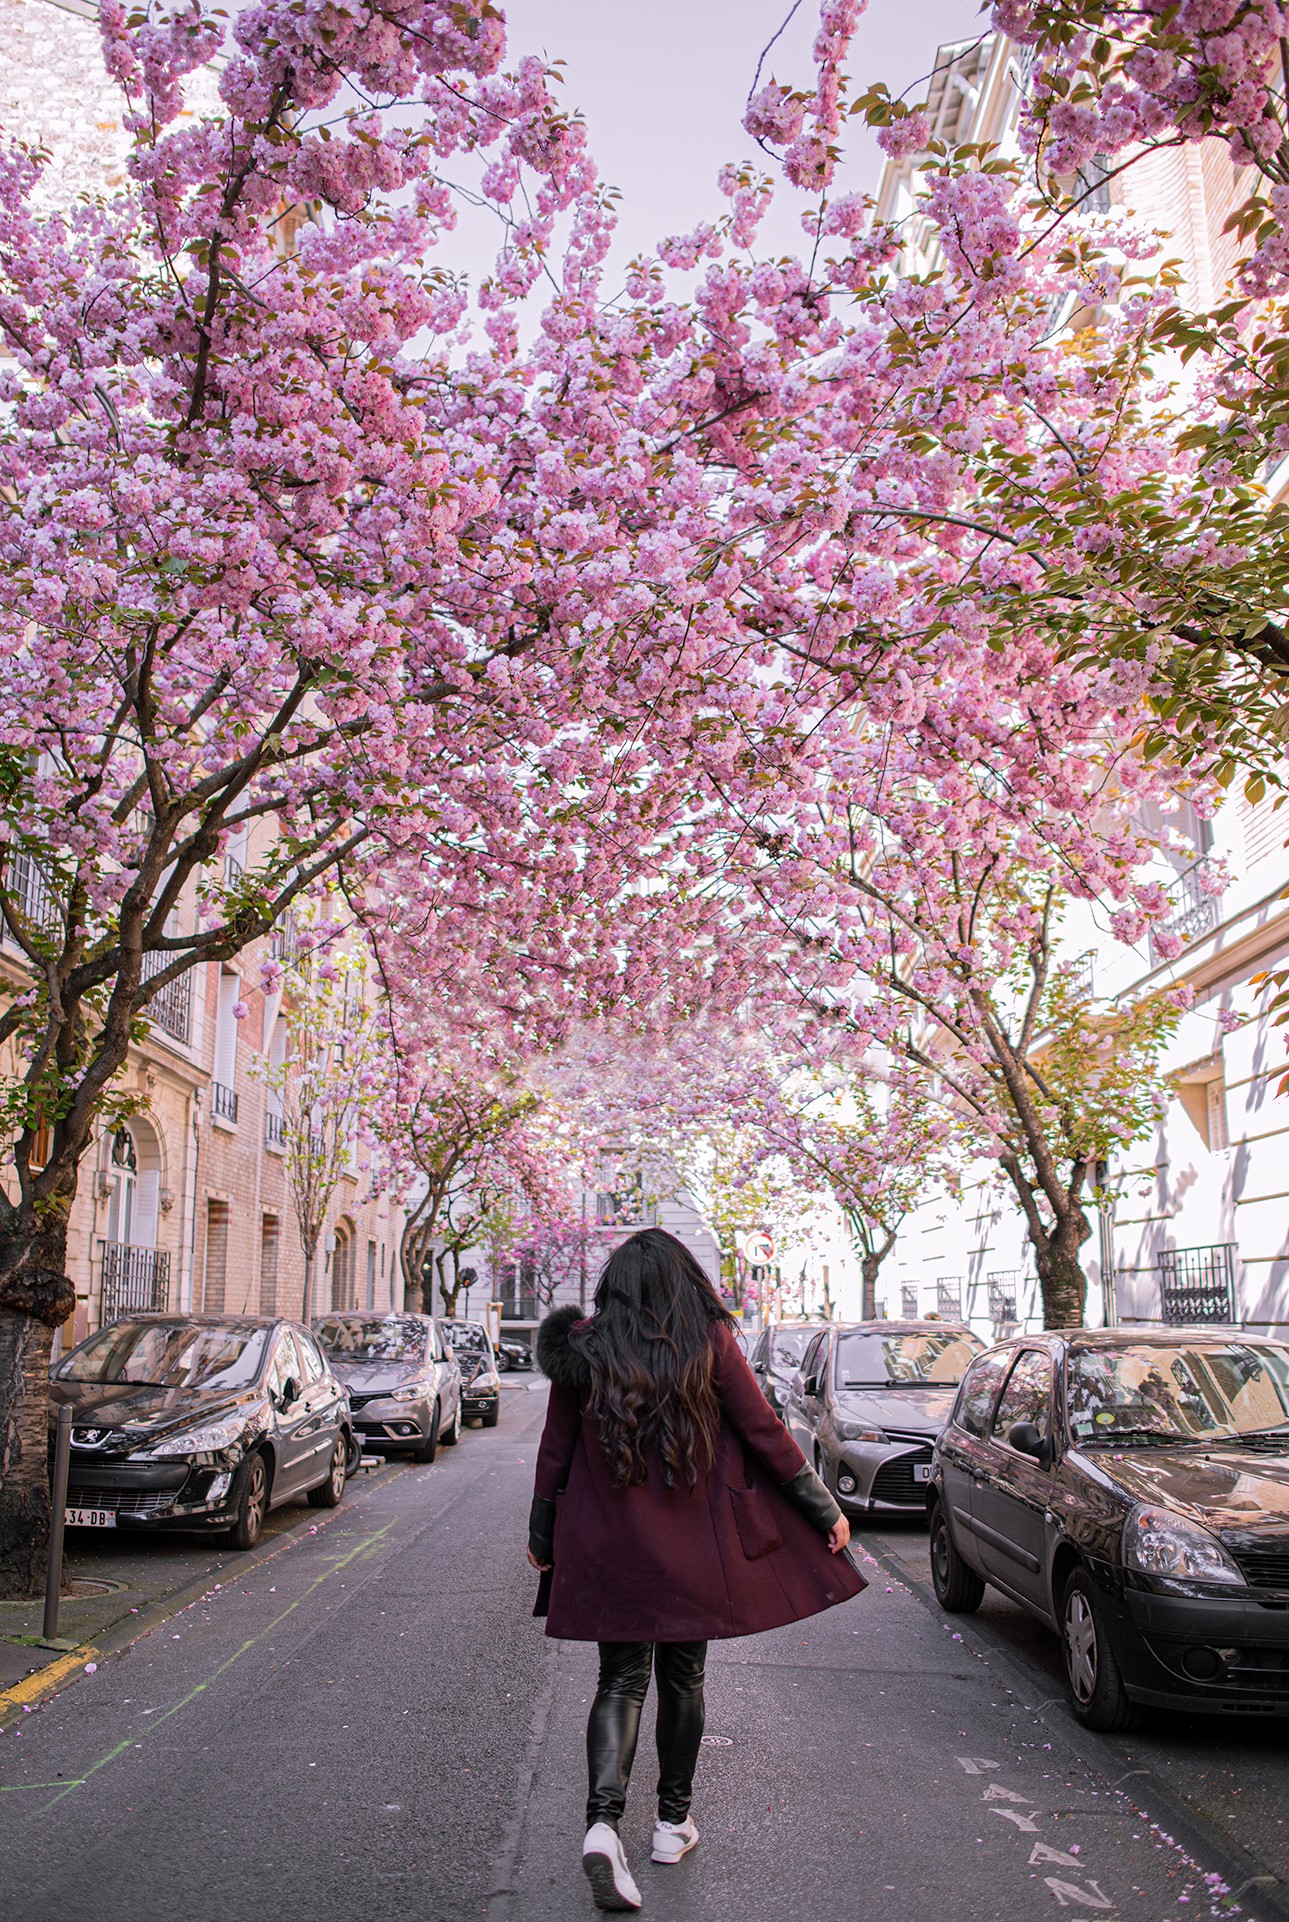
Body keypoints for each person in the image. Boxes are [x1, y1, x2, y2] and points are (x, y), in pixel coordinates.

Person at [527, 1228, 865, 1912]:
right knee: (683, 1677)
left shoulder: (583, 1349)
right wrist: (821, 1506)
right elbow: (764, 1430)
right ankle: (670, 1824)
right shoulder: (708, 1342)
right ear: (685, 1282)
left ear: (614, 1287)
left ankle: (602, 1825)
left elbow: (554, 1450)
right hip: (692, 1548)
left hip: (608, 1545)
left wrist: (540, 1532)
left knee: (619, 1679)